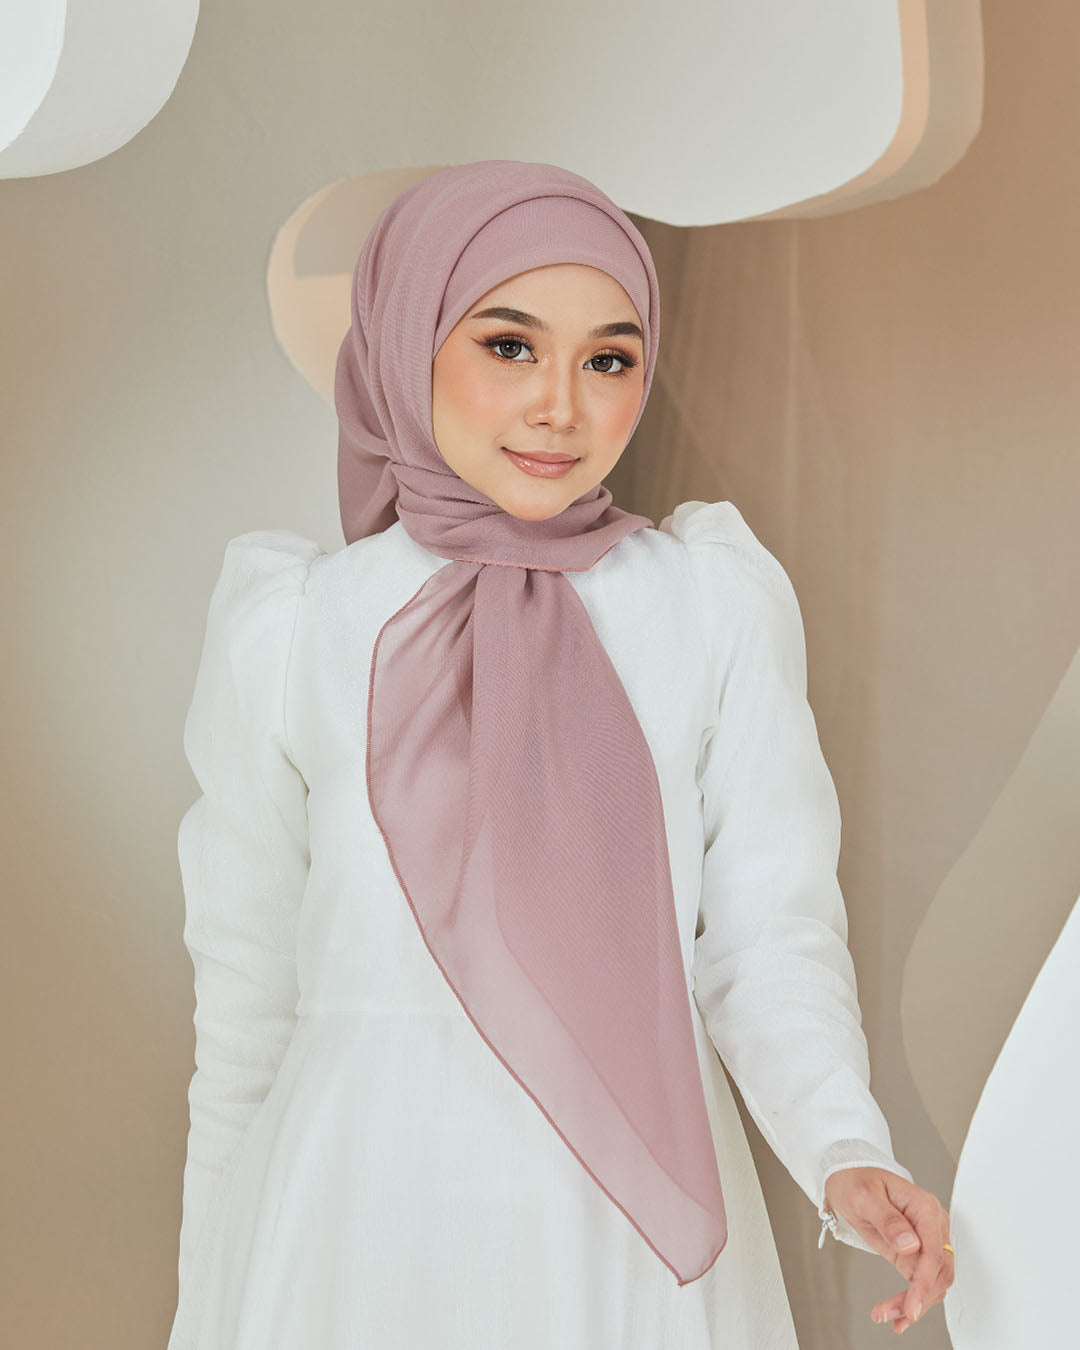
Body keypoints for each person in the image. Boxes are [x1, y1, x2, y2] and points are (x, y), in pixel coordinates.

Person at [166, 159, 953, 1348]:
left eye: (608, 360)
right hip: (352, 1218)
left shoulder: (708, 606)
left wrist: (844, 1148)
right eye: (509, 346)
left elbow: (769, 937)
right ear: (406, 339)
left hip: (617, 1224)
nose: (561, 408)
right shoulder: (294, 630)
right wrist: (206, 1300)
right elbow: (243, 1009)